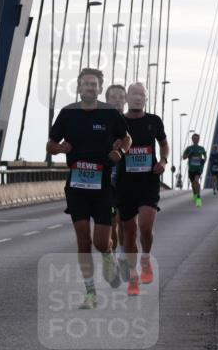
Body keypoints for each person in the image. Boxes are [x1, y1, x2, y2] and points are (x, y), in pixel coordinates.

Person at [47, 68, 132, 309]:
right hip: (76, 186)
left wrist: (121, 152)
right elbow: (51, 144)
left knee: (100, 242)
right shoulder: (67, 114)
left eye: (94, 84)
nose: (89, 88)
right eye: (85, 84)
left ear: (99, 87)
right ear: (79, 86)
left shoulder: (109, 114)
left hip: (102, 184)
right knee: (83, 240)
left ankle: (109, 255)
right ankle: (91, 293)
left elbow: (127, 138)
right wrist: (59, 149)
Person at [115, 82, 168, 296]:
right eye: (134, 94)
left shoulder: (154, 121)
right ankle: (133, 277)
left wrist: (163, 161)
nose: (138, 98)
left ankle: (146, 258)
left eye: (142, 95)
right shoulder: (118, 122)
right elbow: (109, 144)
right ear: (127, 98)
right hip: (125, 184)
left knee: (145, 227)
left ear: (146, 99)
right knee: (129, 232)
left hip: (148, 181)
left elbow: (164, 144)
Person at [104, 84, 127, 270]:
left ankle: (122, 254)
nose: (117, 100)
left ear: (126, 101)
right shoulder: (101, 123)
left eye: (121, 97)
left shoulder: (133, 123)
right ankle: (113, 254)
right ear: (107, 100)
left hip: (128, 182)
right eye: (113, 97)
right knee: (112, 223)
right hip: (107, 181)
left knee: (124, 222)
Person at [182, 134, 207, 208]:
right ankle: (195, 195)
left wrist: (204, 160)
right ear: (192, 139)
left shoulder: (201, 148)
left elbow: (205, 156)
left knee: (196, 181)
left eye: (197, 138)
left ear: (199, 139)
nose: (196, 140)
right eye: (194, 138)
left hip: (199, 168)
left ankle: (198, 198)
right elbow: (183, 157)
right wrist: (189, 154)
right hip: (191, 169)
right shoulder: (189, 148)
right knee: (193, 184)